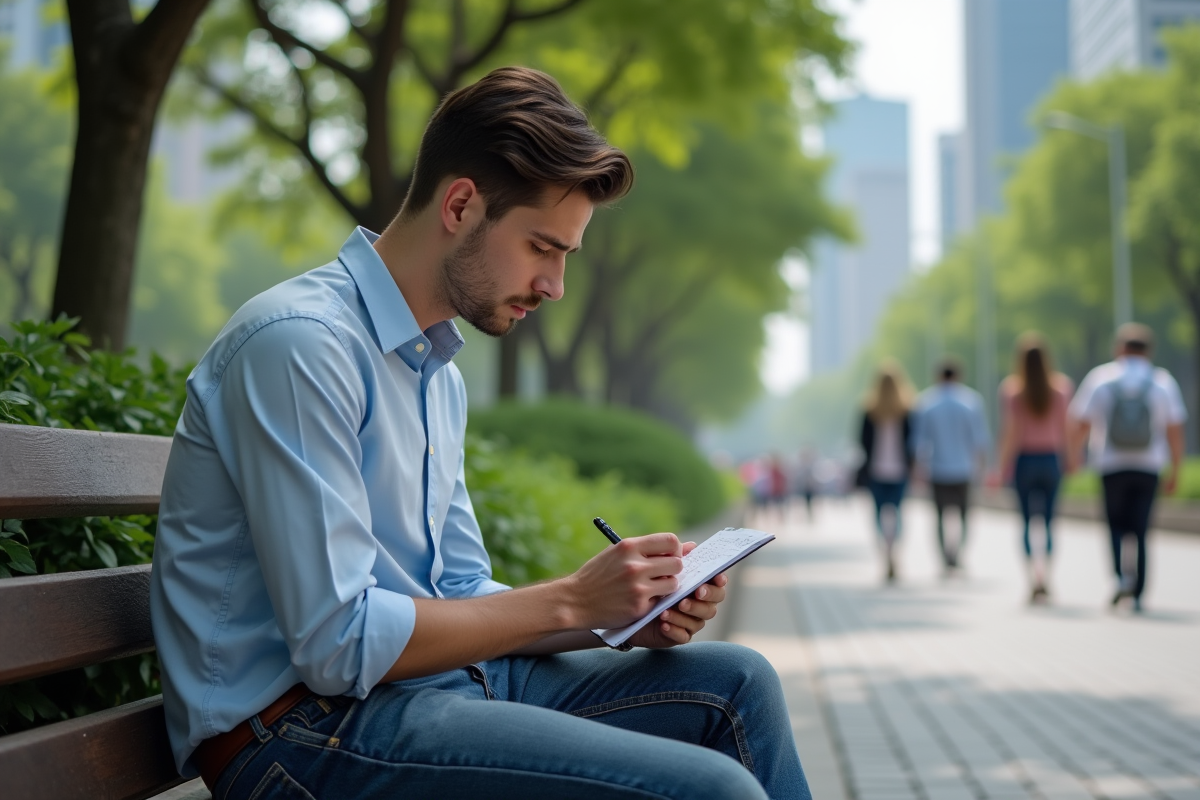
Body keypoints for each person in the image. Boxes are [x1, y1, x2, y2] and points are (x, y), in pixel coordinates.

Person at [149, 67, 808, 800]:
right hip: (295, 735)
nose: (555, 286)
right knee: (713, 791)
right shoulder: (303, 346)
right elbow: (337, 646)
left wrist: (619, 616)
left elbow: (459, 589)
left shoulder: (437, 371)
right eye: (542, 248)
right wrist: (572, 601)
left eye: (565, 256)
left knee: (738, 682)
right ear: (461, 205)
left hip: (422, 694)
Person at [1069, 323, 1186, 613]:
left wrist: (1074, 457)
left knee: (1116, 526)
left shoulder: (1102, 378)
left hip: (1111, 465)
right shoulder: (1162, 382)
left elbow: (1081, 423)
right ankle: (1140, 591)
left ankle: (1121, 580)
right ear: (1149, 351)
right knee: (1142, 528)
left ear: (1120, 348)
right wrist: (1176, 469)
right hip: (1149, 466)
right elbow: (1174, 430)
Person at [993, 333, 1074, 603]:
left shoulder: (1013, 390)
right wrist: (1072, 459)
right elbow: (1066, 429)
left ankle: (1032, 579)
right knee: (1050, 523)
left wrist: (1000, 468)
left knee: (1027, 523)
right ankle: (1047, 577)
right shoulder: (1061, 389)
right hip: (1051, 460)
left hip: (1024, 461)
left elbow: (1010, 433)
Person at [914, 358, 991, 573]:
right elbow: (980, 440)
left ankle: (944, 557)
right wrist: (982, 469)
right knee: (965, 516)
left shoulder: (926, 402)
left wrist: (918, 469)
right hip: (964, 469)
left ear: (938, 376)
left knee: (939, 516)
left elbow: (919, 442)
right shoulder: (972, 401)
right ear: (958, 376)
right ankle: (957, 553)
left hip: (937, 469)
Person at [856, 362, 916, 582]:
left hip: (876, 471)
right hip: (900, 471)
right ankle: (894, 552)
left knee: (879, 515)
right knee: (898, 514)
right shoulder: (907, 411)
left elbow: (861, 441)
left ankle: (885, 554)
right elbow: (913, 443)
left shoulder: (869, 411)